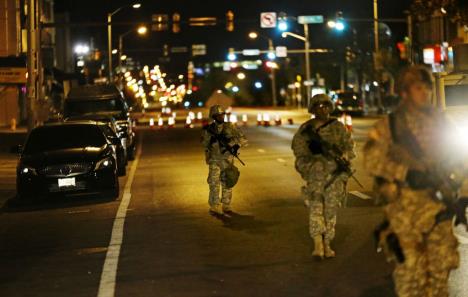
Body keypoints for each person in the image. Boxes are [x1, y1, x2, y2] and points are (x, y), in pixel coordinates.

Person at [364, 65, 468, 297]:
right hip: (405, 211)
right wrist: (405, 173)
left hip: (439, 210)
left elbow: (461, 159)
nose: (425, 93)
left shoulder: (442, 124)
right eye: (418, 88)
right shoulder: (390, 126)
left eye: (427, 88)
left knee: (441, 272)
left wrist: (461, 192)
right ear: (404, 93)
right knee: (412, 275)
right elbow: (372, 160)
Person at [292, 94, 355, 258]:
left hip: (334, 176)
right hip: (315, 175)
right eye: (319, 106)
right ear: (313, 109)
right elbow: (299, 152)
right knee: (316, 209)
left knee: (330, 211)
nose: (323, 109)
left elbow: (349, 147)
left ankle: (327, 243)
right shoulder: (306, 129)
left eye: (326, 106)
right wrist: (311, 157)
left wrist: (344, 158)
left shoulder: (338, 127)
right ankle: (318, 244)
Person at [201, 105, 247, 215]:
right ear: (214, 116)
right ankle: (214, 205)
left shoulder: (230, 127)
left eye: (223, 115)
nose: (222, 117)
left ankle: (226, 205)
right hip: (215, 160)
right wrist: (210, 141)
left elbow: (243, 139)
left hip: (227, 159)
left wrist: (236, 146)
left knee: (227, 182)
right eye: (219, 115)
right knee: (214, 183)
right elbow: (205, 145)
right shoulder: (209, 130)